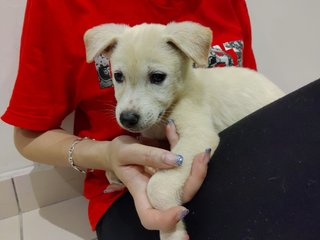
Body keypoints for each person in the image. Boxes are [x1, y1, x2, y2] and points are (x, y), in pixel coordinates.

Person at [1, 0, 267, 239]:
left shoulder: (190, 92)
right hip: (129, 195)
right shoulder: (59, 7)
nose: (129, 108)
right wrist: (107, 156)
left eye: (157, 78)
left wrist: (162, 188)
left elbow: (215, 132)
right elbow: (29, 137)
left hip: (250, 149)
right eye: (119, 77)